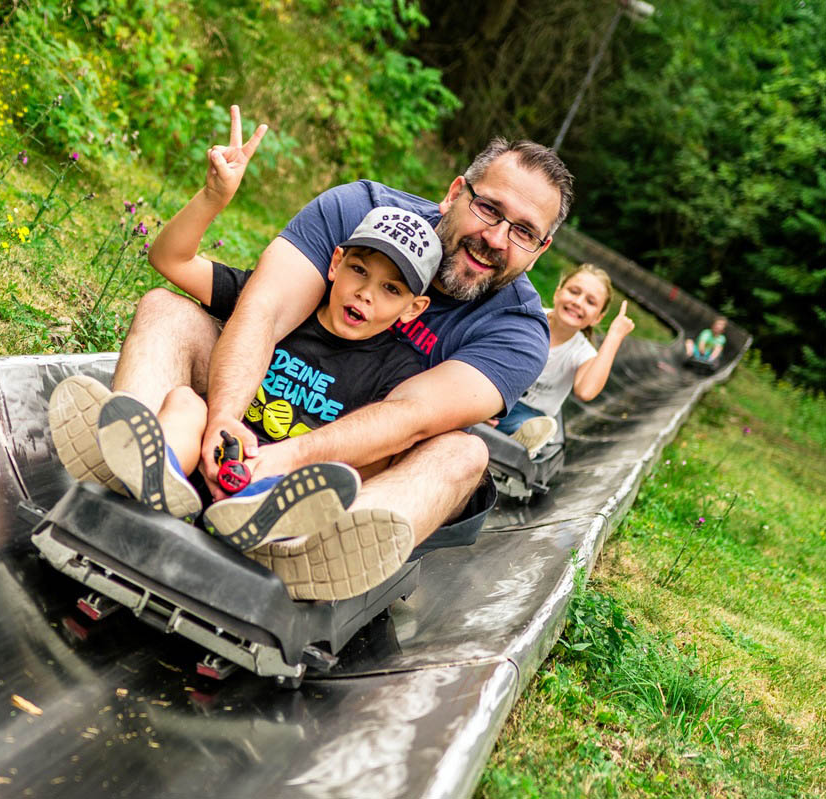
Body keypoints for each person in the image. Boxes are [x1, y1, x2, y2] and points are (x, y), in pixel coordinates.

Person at [52, 105, 573, 600]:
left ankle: (304, 551)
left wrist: (281, 462)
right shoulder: (359, 209)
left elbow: (410, 417)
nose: (497, 239)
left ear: (542, 248)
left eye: (524, 231)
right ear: (456, 192)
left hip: (336, 471)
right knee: (168, 310)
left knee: (465, 453)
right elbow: (263, 310)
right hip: (253, 410)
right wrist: (226, 422)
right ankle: (139, 464)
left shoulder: (518, 330)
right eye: (488, 209)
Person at [488, 264, 635, 457]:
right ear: (558, 293)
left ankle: (520, 440)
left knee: (529, 423)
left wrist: (614, 336)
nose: (578, 302)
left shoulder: (581, 351)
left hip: (529, 413)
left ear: (597, 318)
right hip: (495, 392)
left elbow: (586, 391)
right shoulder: (528, 316)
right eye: (574, 292)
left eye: (590, 302)